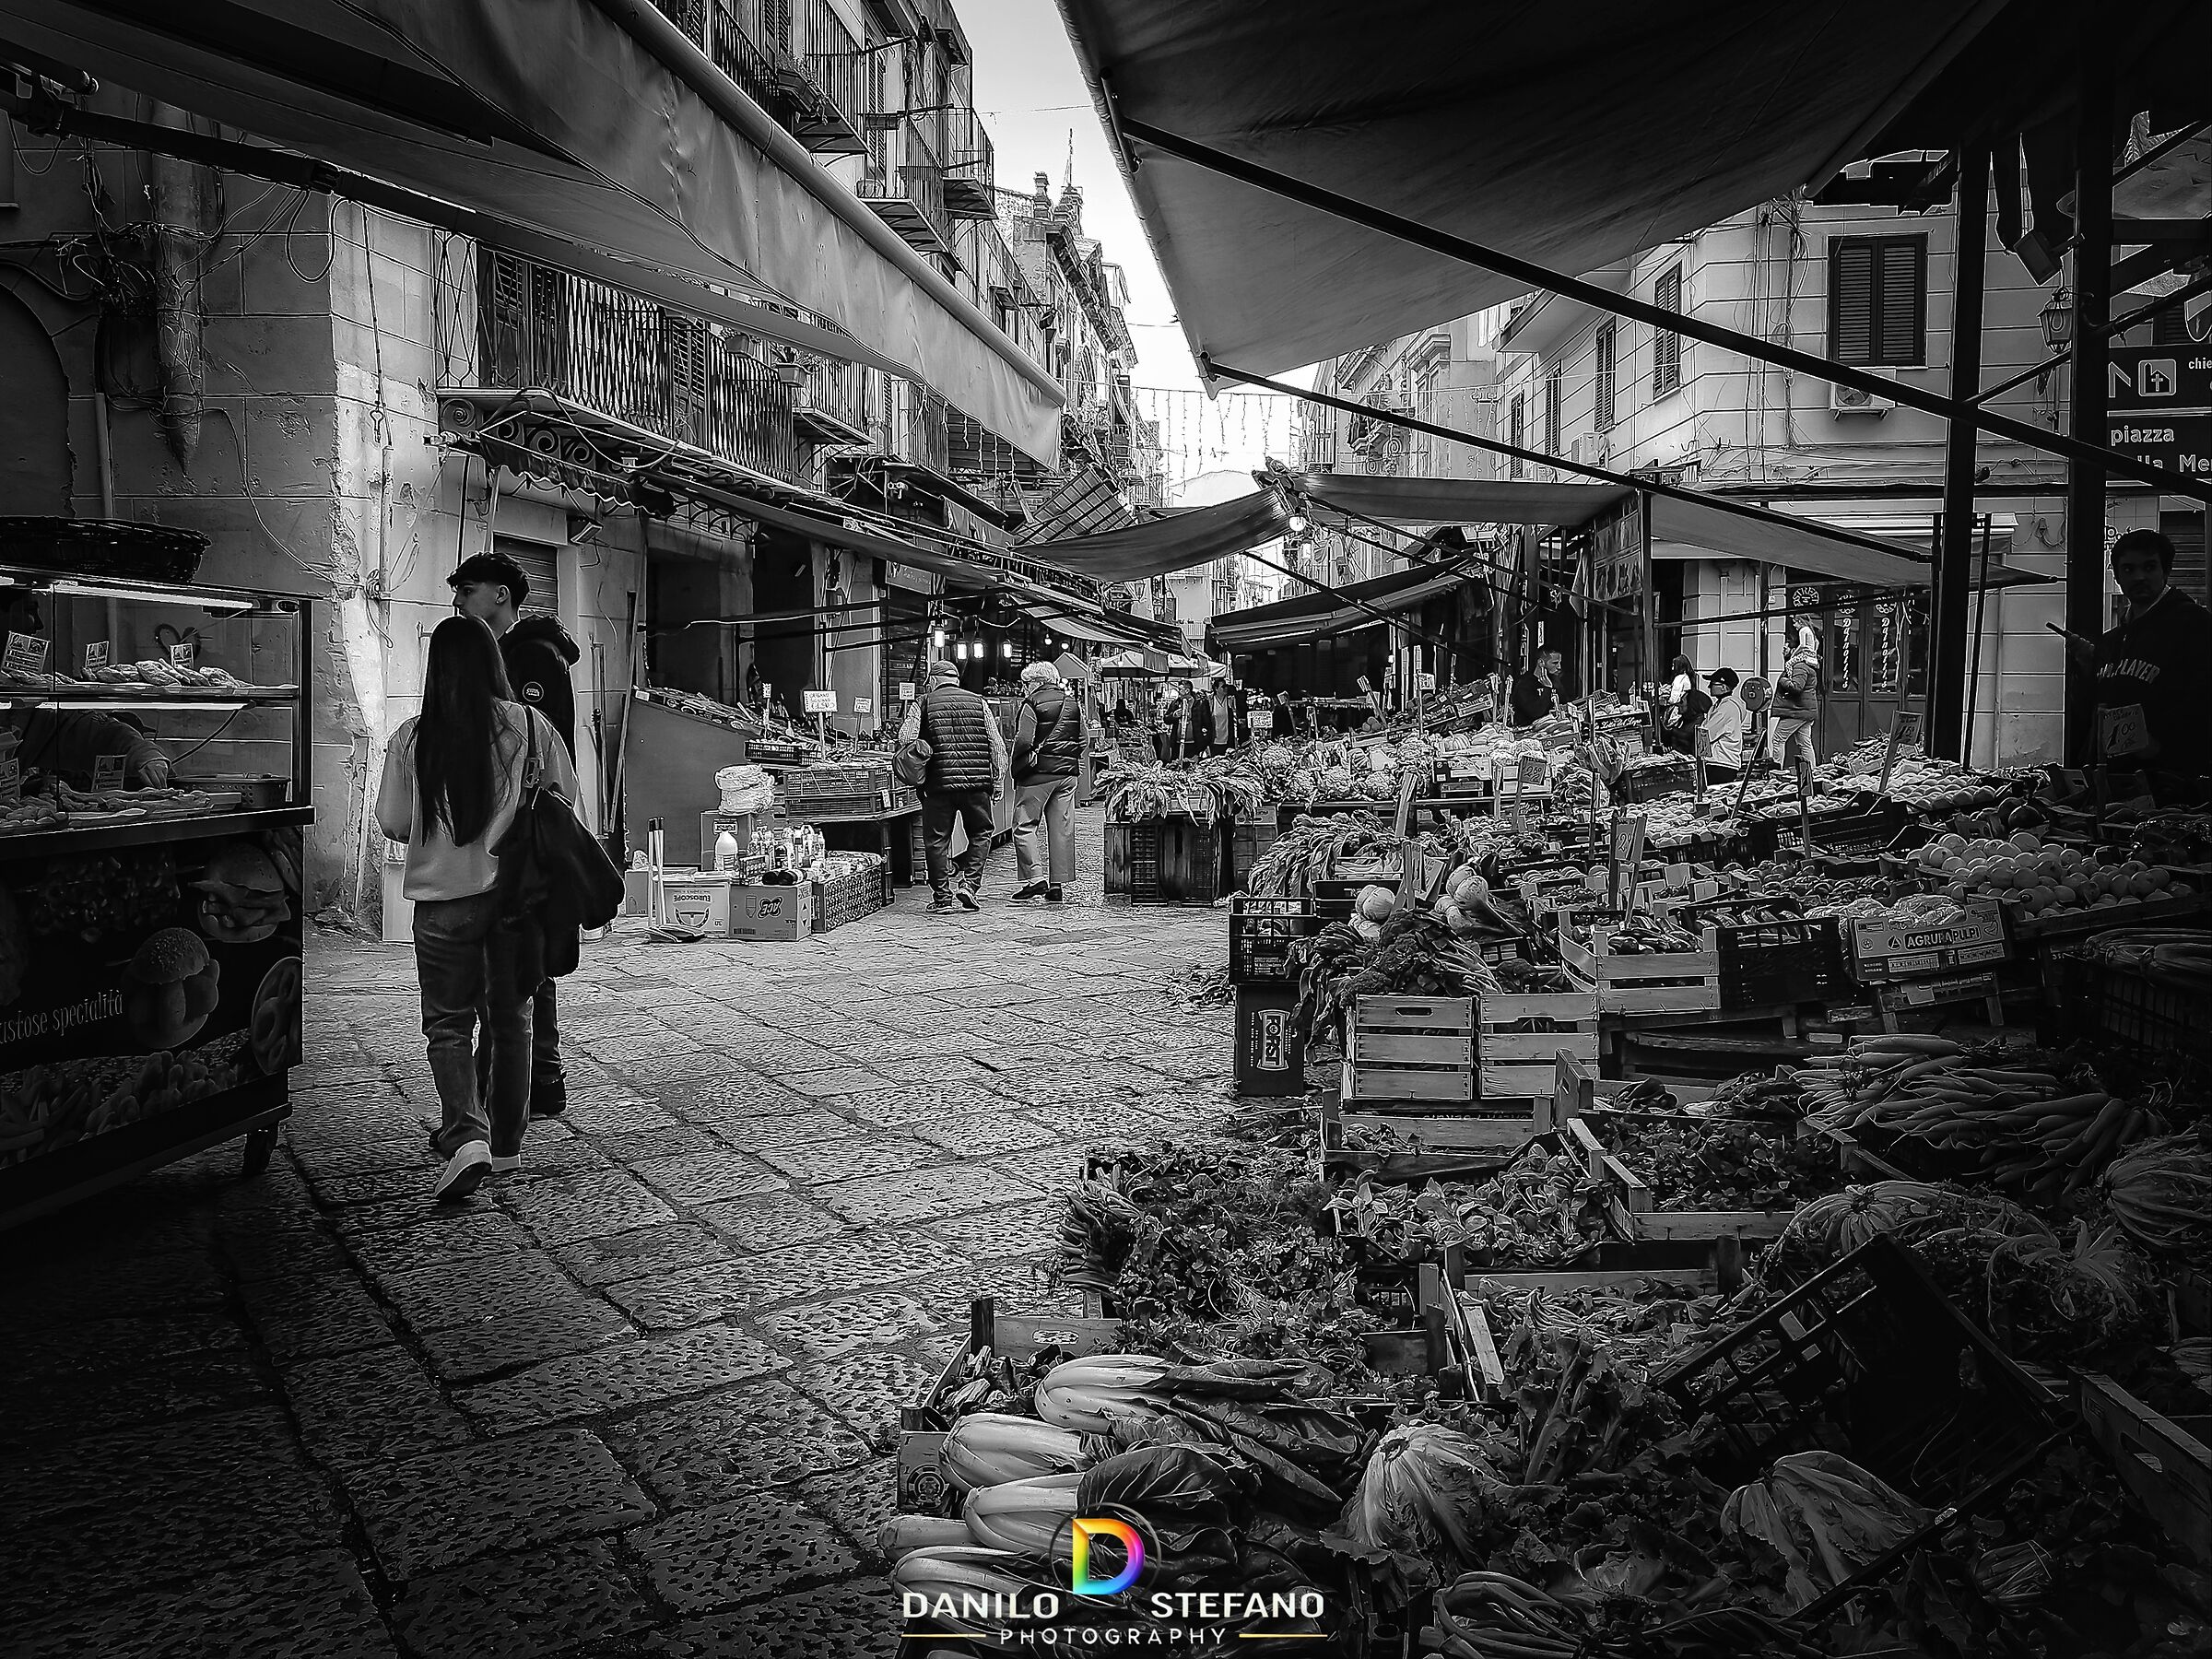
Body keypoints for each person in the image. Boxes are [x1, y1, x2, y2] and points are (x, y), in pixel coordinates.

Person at [376, 616, 577, 1201]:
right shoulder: (531, 729)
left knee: (447, 1022)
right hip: (513, 898)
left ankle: (466, 1133)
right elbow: (568, 807)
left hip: (441, 904)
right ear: (495, 662)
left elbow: (392, 823)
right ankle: (509, 1146)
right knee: (511, 1017)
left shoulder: (412, 737)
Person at [449, 551, 582, 1118]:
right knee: (521, 959)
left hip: (522, 837)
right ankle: (535, 1075)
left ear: (500, 595)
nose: (458, 602)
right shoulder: (517, 653)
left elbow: (546, 760)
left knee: (523, 962)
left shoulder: (530, 658)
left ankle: (536, 1075)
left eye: (468, 590)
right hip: (510, 835)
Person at [2070, 528, 2212, 795]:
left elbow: (2203, 696)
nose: (2139, 577)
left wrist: (2160, 742)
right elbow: (2089, 710)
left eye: (2149, 567)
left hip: (2172, 786)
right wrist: (2088, 669)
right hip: (2112, 783)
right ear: (2116, 576)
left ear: (2165, 570)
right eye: (2129, 569)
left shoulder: (2194, 624)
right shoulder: (2110, 642)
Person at [900, 658, 1006, 912]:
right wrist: (998, 779)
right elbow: (997, 745)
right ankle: (969, 885)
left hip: (938, 785)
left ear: (933, 681)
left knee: (937, 840)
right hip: (977, 784)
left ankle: (942, 899)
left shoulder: (924, 702)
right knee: (981, 834)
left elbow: (906, 736)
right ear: (956, 680)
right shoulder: (979, 701)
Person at [1010, 661, 1083, 903]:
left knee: (1025, 824)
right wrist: (1067, 758)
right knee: (1061, 829)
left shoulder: (1032, 703)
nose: (1025, 688)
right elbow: (1083, 740)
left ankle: (1035, 878)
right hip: (1067, 776)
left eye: (1027, 683)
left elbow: (1023, 739)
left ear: (1038, 682)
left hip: (1037, 775)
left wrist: (1017, 759)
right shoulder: (1072, 702)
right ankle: (1057, 885)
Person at [1769, 629, 1823, 794]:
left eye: (1787, 647)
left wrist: (1782, 680)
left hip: (1797, 711)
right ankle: (1812, 774)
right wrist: (1787, 659)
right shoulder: (1805, 663)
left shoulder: (1799, 665)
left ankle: (1776, 773)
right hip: (1805, 711)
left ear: (1796, 648)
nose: (1784, 649)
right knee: (1804, 742)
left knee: (1778, 739)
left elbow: (1796, 686)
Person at [1699, 667, 1747, 782]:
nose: (1709, 687)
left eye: (1713, 683)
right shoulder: (1720, 705)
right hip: (1721, 762)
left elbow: (1706, 733)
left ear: (1724, 687)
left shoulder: (1727, 707)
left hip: (1721, 763)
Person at [1510, 649, 1566, 726]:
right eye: (1555, 663)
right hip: (1529, 731)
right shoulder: (1524, 685)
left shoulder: (1555, 681)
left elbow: (1564, 703)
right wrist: (1547, 689)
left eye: (1559, 663)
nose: (1559, 667)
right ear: (1541, 662)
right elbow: (1535, 713)